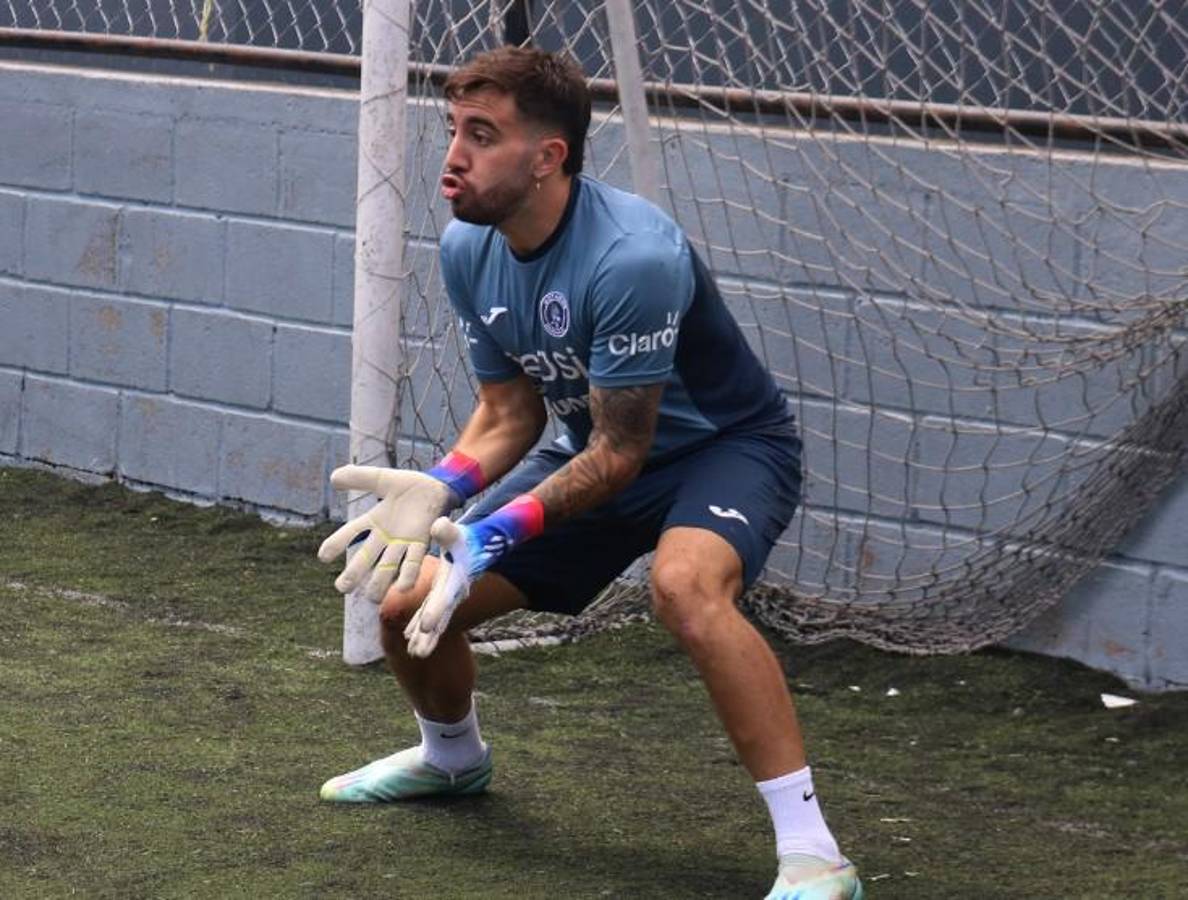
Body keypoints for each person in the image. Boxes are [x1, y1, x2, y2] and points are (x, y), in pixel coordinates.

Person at [317, 46, 863, 900]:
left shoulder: (632, 258)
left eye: (482, 135)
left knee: (685, 589)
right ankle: (452, 762)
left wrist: (493, 532)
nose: (453, 156)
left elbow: (622, 453)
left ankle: (814, 854)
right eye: (454, 130)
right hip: (585, 452)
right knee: (405, 603)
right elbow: (509, 413)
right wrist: (445, 486)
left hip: (721, 451)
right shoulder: (470, 247)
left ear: (548, 159)